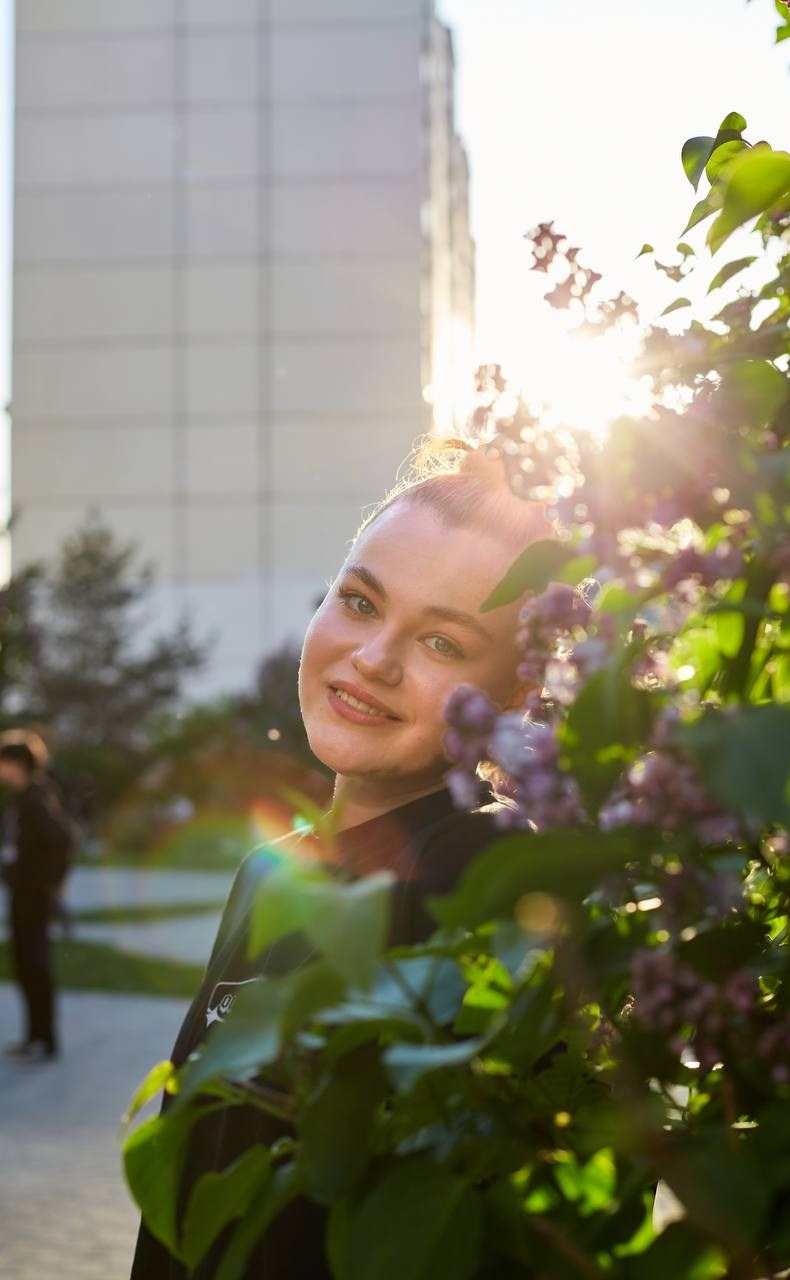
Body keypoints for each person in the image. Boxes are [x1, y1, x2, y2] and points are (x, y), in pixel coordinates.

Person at [130, 438, 557, 1278]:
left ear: (514, 696)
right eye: (360, 603)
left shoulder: (489, 876)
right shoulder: (272, 869)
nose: (372, 658)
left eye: (442, 644)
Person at [0, 731, 75, 1063]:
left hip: (32, 895)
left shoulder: (34, 798)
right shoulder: (26, 797)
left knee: (34, 965)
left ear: (17, 764)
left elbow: (62, 839)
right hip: (23, 892)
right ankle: (35, 1036)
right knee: (26, 964)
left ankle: (44, 1040)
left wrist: (53, 884)